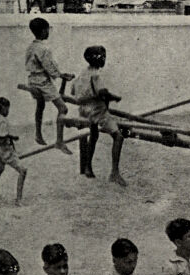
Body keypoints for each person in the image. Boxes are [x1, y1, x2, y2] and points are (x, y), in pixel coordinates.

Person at [66, 45, 125, 182]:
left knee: (94, 135)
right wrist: (114, 97)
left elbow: (73, 92)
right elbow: (101, 92)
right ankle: (114, 173)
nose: (104, 59)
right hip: (97, 111)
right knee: (118, 137)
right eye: (103, 57)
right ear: (97, 59)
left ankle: (87, 167)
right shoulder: (96, 75)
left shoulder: (82, 73)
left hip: (83, 110)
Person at [24, 17, 72, 151]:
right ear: (43, 31)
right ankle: (59, 141)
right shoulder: (43, 49)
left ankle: (38, 134)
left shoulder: (31, 46)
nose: (48, 32)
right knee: (63, 108)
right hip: (42, 82)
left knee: (40, 106)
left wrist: (59, 74)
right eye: (47, 29)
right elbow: (49, 66)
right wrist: (61, 75)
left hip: (32, 80)